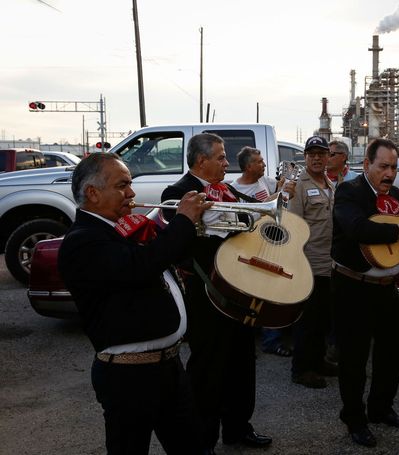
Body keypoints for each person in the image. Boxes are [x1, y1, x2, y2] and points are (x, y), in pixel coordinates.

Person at [58, 153, 210, 454]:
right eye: (123, 185)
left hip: (167, 367)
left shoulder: (118, 228)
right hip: (128, 377)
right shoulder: (83, 239)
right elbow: (140, 266)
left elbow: (163, 257)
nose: (132, 193)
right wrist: (183, 221)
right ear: (93, 193)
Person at [161, 134, 273, 454]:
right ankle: (204, 437)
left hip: (239, 286)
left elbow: (254, 208)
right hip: (206, 291)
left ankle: (238, 427)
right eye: (221, 158)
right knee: (209, 367)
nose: (227, 163)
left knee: (242, 361)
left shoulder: (227, 190)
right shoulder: (178, 192)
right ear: (201, 161)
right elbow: (182, 235)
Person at [331, 138, 399, 448]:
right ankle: (354, 419)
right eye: (383, 166)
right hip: (352, 285)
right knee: (354, 357)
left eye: (394, 167)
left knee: (391, 351)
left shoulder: (398, 196)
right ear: (367, 164)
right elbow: (357, 228)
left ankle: (381, 409)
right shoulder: (349, 191)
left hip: (387, 287)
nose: (389, 173)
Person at [229, 146, 292, 357]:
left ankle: (271, 339)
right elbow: (241, 220)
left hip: (272, 241)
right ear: (248, 166)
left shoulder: (264, 181)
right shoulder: (234, 191)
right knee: (251, 293)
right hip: (251, 246)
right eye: (259, 161)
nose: (264, 164)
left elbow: (280, 191)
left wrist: (285, 184)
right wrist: (277, 196)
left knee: (273, 292)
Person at [287, 136, 338, 389]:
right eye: (312, 154)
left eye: (321, 153)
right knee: (307, 320)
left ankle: (318, 362)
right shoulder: (298, 185)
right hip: (307, 262)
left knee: (322, 319)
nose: (317, 158)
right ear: (305, 157)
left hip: (328, 262)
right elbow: (293, 227)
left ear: (329, 157)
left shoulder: (329, 184)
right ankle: (302, 369)